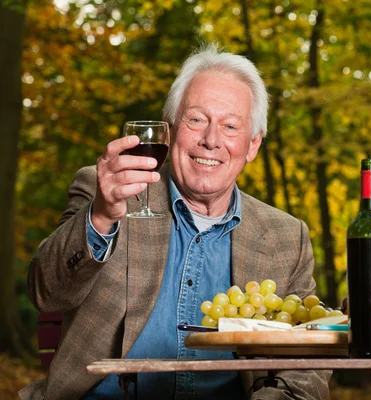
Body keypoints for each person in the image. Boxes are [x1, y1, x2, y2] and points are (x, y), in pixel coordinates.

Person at [20, 43, 331, 400]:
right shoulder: (107, 192)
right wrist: (102, 215)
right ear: (169, 129)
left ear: (252, 146)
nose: (210, 141)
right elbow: (46, 293)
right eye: (196, 120)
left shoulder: (286, 236)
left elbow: (308, 362)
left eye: (230, 126)